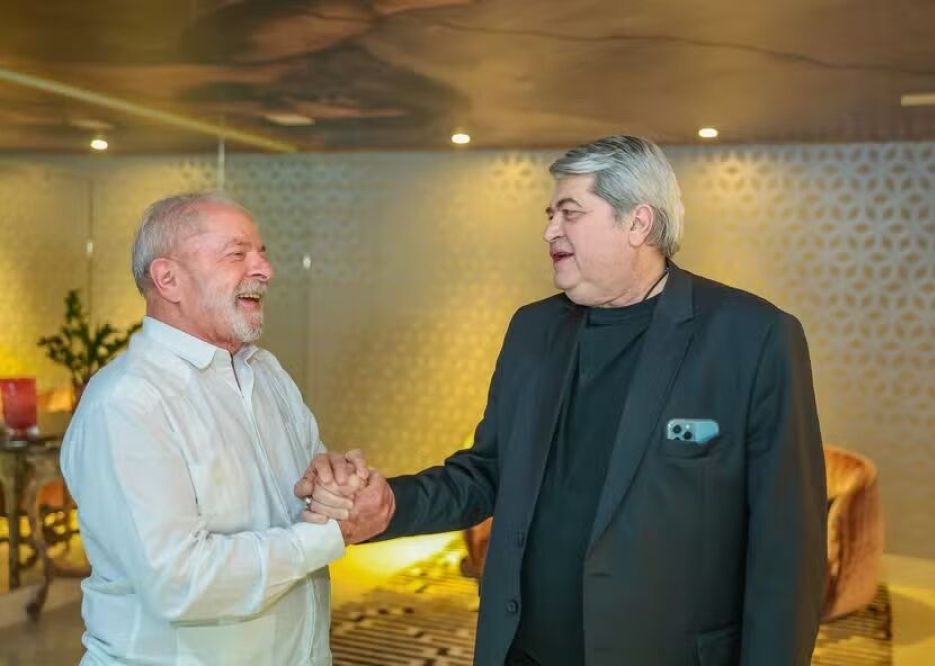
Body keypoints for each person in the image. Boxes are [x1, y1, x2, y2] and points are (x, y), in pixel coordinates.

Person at [300, 136, 827, 665]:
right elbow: (488, 473)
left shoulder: (751, 337)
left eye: (570, 213)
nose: (550, 230)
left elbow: (787, 547)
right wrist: (389, 505)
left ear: (637, 223)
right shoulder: (533, 329)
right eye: (551, 214)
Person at [61, 193, 355, 665]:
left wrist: (337, 484)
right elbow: (180, 582)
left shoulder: (266, 373)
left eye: (262, 254)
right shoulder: (128, 403)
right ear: (168, 279)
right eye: (237, 254)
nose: (264, 270)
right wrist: (328, 534)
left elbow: (313, 484)